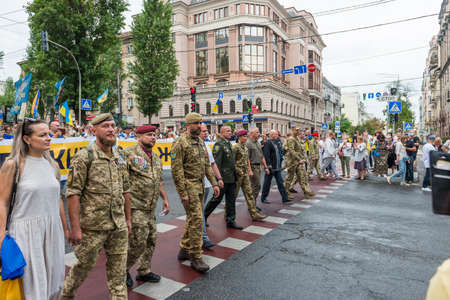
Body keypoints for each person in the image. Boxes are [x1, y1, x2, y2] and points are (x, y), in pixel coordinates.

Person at [62, 113, 131, 299]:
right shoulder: (84, 157)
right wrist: (75, 228)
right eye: (106, 126)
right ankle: (66, 295)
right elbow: (73, 193)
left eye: (113, 125)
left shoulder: (119, 155)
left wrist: (128, 219)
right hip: (93, 227)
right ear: (93, 130)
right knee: (83, 268)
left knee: (119, 275)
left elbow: (125, 189)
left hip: (118, 225)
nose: (111, 129)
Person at [0, 119, 68, 299]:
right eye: (43, 135)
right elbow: (2, 202)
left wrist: (66, 229)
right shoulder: (13, 164)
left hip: (52, 231)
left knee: (55, 283)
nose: (49, 138)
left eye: (48, 134)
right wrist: (1, 235)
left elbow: (57, 199)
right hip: (25, 234)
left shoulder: (52, 164)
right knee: (32, 287)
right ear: (27, 139)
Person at [171, 113, 219, 273]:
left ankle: (184, 249)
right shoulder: (179, 143)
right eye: (197, 123)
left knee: (193, 219)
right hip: (189, 187)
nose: (200, 126)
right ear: (189, 125)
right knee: (198, 220)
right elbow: (176, 170)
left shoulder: (200, 142)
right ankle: (196, 256)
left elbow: (206, 165)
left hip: (200, 186)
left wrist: (214, 183)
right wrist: (182, 193)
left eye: (201, 123)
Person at [123, 125, 170, 288]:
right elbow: (122, 182)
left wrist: (165, 199)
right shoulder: (129, 153)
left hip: (150, 207)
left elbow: (159, 180)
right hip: (135, 206)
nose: (153, 137)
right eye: (149, 135)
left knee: (151, 239)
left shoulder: (156, 158)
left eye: (154, 135)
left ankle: (144, 271)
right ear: (139, 136)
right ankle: (123, 270)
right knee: (137, 242)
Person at [204, 126, 243, 230]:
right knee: (216, 199)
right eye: (228, 131)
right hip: (223, 178)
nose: (230, 132)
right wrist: (218, 179)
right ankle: (203, 217)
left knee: (231, 200)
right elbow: (216, 163)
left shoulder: (228, 143)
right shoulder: (219, 144)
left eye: (231, 131)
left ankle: (231, 220)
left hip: (231, 177)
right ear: (221, 133)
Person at [233, 129, 267, 221]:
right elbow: (232, 162)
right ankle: (228, 214)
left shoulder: (245, 147)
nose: (246, 137)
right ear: (239, 137)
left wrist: (249, 169)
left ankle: (254, 213)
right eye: (244, 136)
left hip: (245, 174)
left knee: (249, 194)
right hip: (239, 174)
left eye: (246, 136)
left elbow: (247, 159)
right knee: (234, 195)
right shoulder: (235, 147)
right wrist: (239, 171)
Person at [199, 125, 223, 250]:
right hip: (194, 185)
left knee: (199, 212)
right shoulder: (187, 145)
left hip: (206, 184)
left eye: (207, 131)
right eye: (203, 131)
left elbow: (212, 164)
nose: (206, 133)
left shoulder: (206, 145)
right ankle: (203, 238)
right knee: (199, 212)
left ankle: (189, 242)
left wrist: (218, 179)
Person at [261, 130, 290, 203]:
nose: (277, 135)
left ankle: (284, 197)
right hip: (271, 167)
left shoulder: (276, 142)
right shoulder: (268, 143)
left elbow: (279, 152)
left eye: (277, 134)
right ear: (272, 135)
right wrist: (268, 166)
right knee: (267, 183)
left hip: (277, 167)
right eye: (276, 134)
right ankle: (263, 197)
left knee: (280, 182)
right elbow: (266, 155)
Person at [246, 128, 270, 211]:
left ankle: (253, 204)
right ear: (251, 133)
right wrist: (249, 170)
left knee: (256, 186)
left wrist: (265, 167)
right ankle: (251, 206)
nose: (259, 134)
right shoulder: (248, 143)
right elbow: (247, 158)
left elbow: (261, 155)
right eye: (257, 132)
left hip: (258, 166)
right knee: (255, 186)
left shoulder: (258, 142)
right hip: (252, 166)